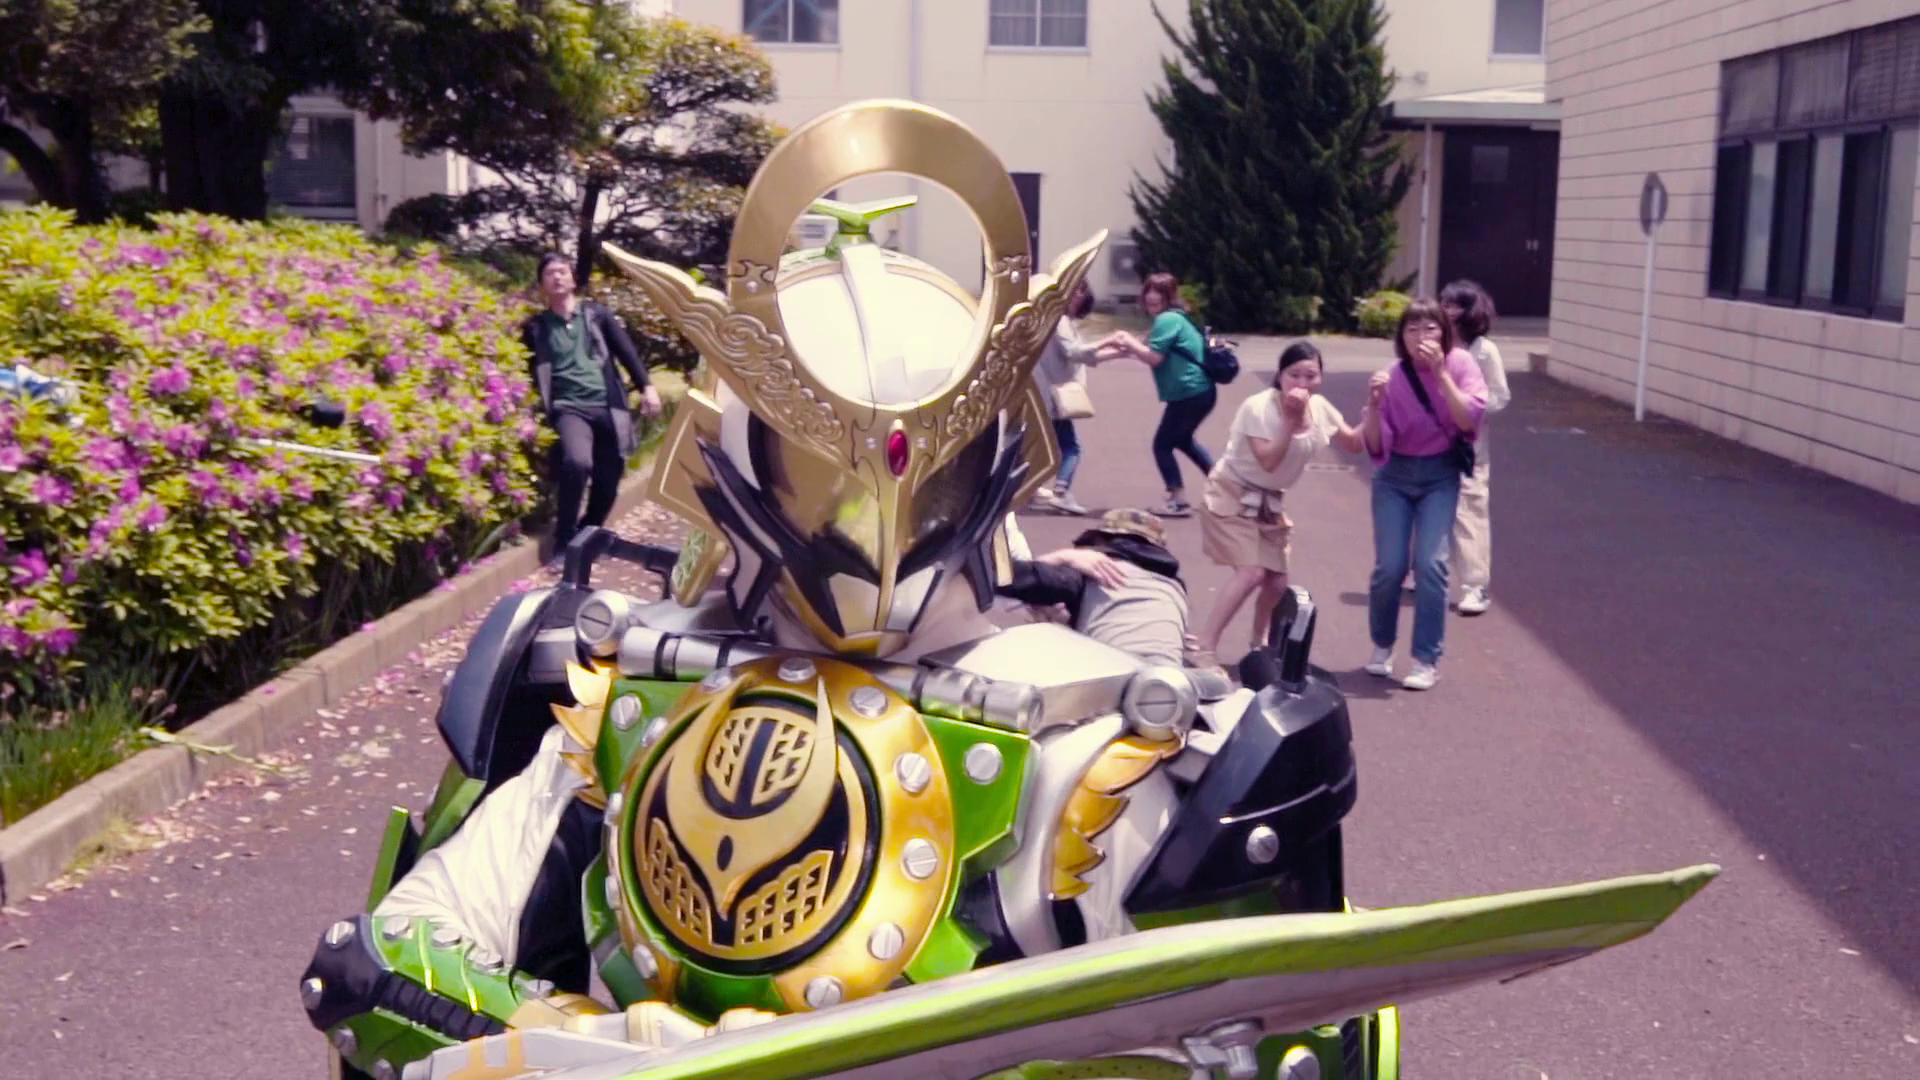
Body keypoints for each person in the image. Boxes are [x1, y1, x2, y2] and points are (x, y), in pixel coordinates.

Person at [1187, 342, 1362, 673]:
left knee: (1277, 582)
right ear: (1280, 376)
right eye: (1294, 374)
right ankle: (1205, 646)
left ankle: (1260, 645)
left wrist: (1378, 408)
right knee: (1251, 572)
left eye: (1311, 375)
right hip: (1232, 491)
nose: (1302, 383)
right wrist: (1290, 422)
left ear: (1320, 378)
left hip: (1269, 501)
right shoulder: (1258, 407)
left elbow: (1354, 443)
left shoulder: (1320, 407)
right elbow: (1268, 460)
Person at [1360, 298, 1488, 691]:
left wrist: (1441, 374)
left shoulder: (1462, 364)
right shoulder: (1392, 376)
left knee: (1431, 565)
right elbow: (1375, 445)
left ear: (1444, 333)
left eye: (1430, 328)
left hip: (1440, 476)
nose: (1421, 337)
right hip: (1394, 476)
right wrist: (1375, 407)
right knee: (1390, 568)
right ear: (1401, 337)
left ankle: (1425, 659)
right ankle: (1383, 645)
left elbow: (1468, 420)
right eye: (1412, 329)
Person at [521, 253, 662, 552]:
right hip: (568, 407)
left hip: (607, 405)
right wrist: (526, 411)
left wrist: (647, 387)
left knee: (609, 478)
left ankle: (587, 534)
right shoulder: (536, 328)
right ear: (542, 285)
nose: (557, 277)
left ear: (573, 279)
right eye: (549, 273)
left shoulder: (597, 315)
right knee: (577, 461)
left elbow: (625, 352)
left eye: (562, 271)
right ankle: (563, 538)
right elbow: (524, 372)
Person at [997, 508, 1189, 668]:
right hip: (1172, 685)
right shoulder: (1173, 588)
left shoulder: (1092, 571)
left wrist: (1061, 557)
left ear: (1099, 541)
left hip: (1112, 683)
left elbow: (1004, 577)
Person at [1093, 272, 1216, 518]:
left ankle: (1178, 500)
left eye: (1158, 292)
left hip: (1189, 392)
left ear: (1169, 296)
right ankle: (1225, 487)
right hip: (1198, 392)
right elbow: (1145, 350)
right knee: (1183, 441)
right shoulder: (1174, 318)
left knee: (1162, 445)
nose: (1151, 296)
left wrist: (1129, 341)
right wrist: (1118, 348)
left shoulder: (1167, 320)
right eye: (1149, 290)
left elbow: (1154, 358)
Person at [1440, 280, 1511, 616]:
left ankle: (1475, 586)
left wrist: (1470, 411)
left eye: (1455, 305)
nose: (1447, 310)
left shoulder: (1484, 350)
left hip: (1469, 445)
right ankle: (1424, 571)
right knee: (1428, 502)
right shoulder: (1434, 343)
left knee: (1469, 509)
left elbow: (1499, 395)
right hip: (1430, 441)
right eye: (1444, 303)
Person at [1031, 279, 1099, 516]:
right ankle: (1061, 492)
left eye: (1082, 291)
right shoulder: (1059, 320)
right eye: (1075, 290)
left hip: (1045, 394)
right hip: (1055, 396)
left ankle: (1032, 490)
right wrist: (1110, 343)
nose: (1078, 296)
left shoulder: (1048, 319)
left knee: (1040, 445)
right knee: (1071, 448)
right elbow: (1073, 352)